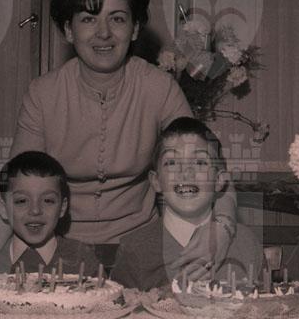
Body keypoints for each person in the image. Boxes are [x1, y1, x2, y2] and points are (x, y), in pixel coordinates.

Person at [0, 0, 237, 278]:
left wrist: (221, 229)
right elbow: (11, 188)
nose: (103, 33)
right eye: (89, 19)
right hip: (61, 256)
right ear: (68, 30)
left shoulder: (160, 88)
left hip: (143, 255)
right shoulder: (43, 94)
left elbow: (212, 174)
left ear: (135, 28)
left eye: (117, 19)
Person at [111, 117, 262, 291]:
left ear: (219, 180)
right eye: (172, 162)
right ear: (156, 181)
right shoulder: (134, 250)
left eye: (200, 162)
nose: (186, 172)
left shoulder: (248, 244)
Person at [0, 151, 99, 282]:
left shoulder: (82, 257)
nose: (35, 210)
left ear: (62, 207)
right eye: (22, 201)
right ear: (4, 209)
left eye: (48, 200)